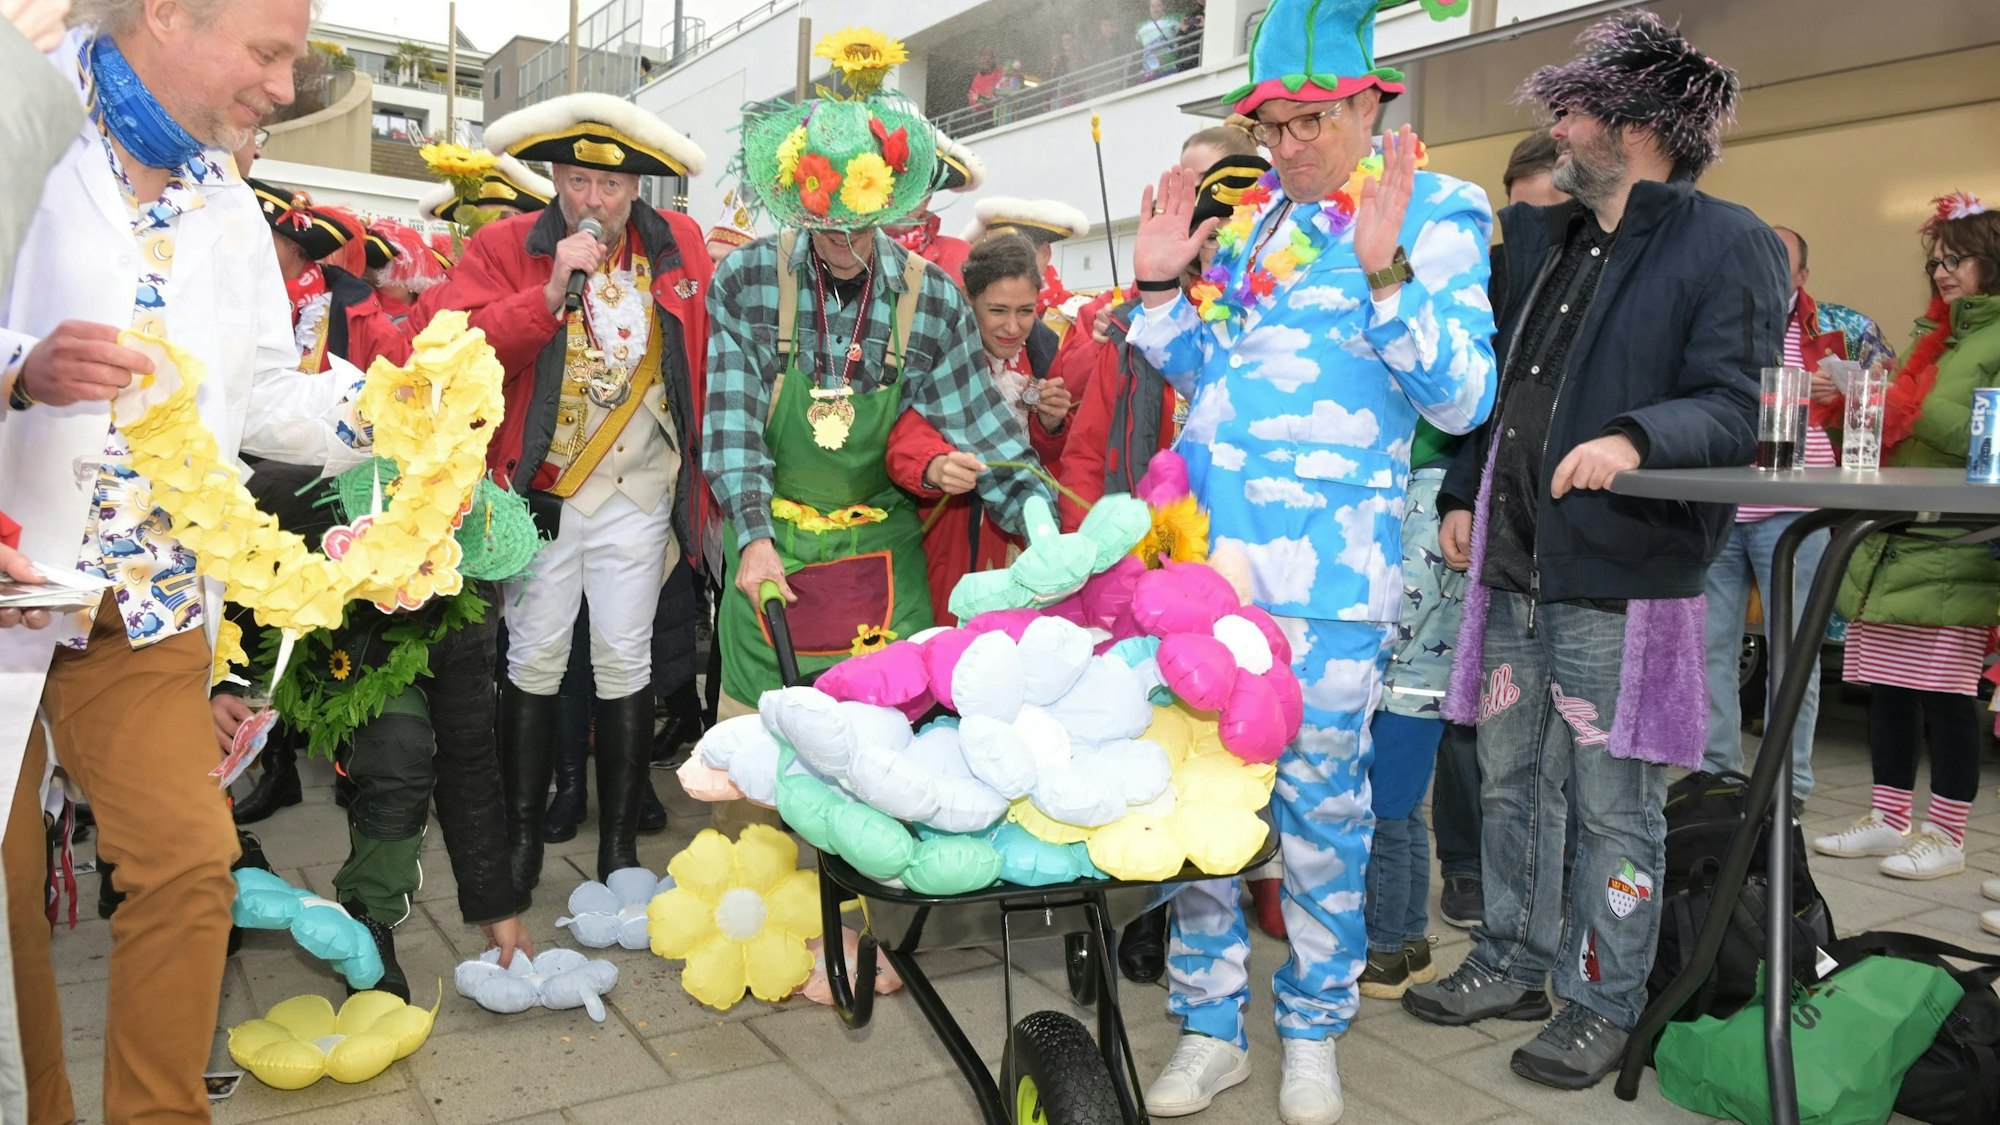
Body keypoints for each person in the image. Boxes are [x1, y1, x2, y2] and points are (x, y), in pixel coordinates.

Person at [0, 3, 386, 1119]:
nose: (284, 84)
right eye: (267, 53)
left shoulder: (220, 183)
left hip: (154, 601)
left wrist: (393, 413)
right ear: (165, 14)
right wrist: (22, 368)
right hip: (16, 585)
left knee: (187, 868)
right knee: (9, 898)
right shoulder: (17, 102)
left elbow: (262, 391)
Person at [1405, 12, 1788, 1093]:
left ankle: (1600, 999)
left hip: (1625, 573)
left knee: (1612, 804)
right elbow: (1501, 391)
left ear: (1635, 125)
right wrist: (1458, 489)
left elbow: (1735, 405)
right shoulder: (1553, 240)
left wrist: (1632, 438)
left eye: (1571, 110)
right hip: (1518, 562)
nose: (1557, 128)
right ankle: (1513, 960)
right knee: (1510, 780)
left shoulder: (1729, 243)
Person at [1126, 1, 1497, 1118]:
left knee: (1319, 812)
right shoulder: (1245, 227)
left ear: (1368, 102)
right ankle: (1206, 1027)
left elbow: (1464, 394)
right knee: (1196, 803)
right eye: (1272, 124)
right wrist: (1154, 289)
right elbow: (1207, 377)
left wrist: (1386, 279)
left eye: (1310, 121)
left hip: (1332, 582)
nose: (1287, 144)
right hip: (1206, 569)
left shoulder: (1437, 212)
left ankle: (1313, 1033)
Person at [701, 42, 1048, 735]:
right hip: (771, 553)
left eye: (858, 223)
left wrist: (1042, 522)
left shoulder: (936, 298)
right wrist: (755, 537)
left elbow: (984, 426)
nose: (842, 239)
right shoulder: (746, 281)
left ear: (886, 198)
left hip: (884, 557)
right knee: (760, 758)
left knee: (888, 748)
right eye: (824, 224)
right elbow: (731, 427)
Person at [446, 92, 714, 895]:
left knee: (625, 660)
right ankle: (521, 840)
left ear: (637, 188)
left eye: (611, 186)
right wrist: (548, 292)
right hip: (545, 492)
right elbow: (455, 345)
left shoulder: (681, 245)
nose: (592, 201)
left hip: (638, 486)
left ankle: (620, 846)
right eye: (576, 181)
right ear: (555, 177)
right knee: (532, 659)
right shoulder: (504, 246)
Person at [1811, 193, 2000, 884]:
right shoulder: (1936, 335)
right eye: (1937, 261)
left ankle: (1946, 835)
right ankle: (1888, 818)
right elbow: (1892, 435)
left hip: (1958, 539)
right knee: (1888, 688)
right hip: (1897, 534)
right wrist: (1848, 407)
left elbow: (1988, 438)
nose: (1943, 272)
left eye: (1958, 259)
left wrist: (1906, 408)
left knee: (1947, 695)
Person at [1429, 130, 1575, 936]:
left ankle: (1545, 877)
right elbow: (1476, 406)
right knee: (1472, 705)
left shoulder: (1593, 275)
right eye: (1521, 215)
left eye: (1552, 213)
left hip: (1567, 529)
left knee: (1556, 726)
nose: (1534, 233)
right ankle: (1465, 864)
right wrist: (1457, 492)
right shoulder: (1482, 276)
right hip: (1487, 512)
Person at [1703, 225, 1895, 808]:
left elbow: (1890, 386)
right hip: (1721, 504)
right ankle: (1718, 775)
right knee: (1711, 648)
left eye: (1779, 260)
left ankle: (1792, 782)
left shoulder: (1839, 326)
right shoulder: (1719, 318)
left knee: (1794, 651)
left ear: (1803, 276)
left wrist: (1846, 388)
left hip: (1797, 512)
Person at [885, 233, 1073, 625]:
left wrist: (1051, 427)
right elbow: (905, 433)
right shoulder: (939, 354)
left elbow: (1047, 461)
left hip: (1021, 539)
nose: (1012, 326)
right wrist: (934, 466)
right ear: (968, 301)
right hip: (953, 537)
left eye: (1025, 310)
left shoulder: (1042, 355)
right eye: (997, 310)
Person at [1357, 419, 1465, 1001]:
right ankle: (1414, 942)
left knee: (1383, 819)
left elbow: (1406, 597)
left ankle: (1384, 951)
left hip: (1403, 683)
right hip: (1424, 685)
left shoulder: (1424, 493)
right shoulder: (1451, 493)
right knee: (1403, 815)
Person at [961, 197, 1093, 328]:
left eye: (1019, 253)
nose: (1008, 264)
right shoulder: (972, 311)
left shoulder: (1080, 315)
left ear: (1045, 253)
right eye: (998, 256)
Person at [886, 129, 986, 284]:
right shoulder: (842, 254)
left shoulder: (963, 257)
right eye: (893, 185)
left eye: (914, 189)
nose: (903, 198)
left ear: (927, 199)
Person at [1138, 0, 1181, 79]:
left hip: (1170, 65)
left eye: (1158, 6)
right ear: (1149, 8)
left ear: (1163, 7)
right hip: (1150, 69)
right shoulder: (1142, 26)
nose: (1155, 9)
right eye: (1153, 6)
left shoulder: (1171, 21)